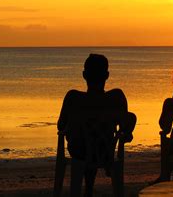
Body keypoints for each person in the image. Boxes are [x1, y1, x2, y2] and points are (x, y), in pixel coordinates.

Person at [57, 53, 136, 194]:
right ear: (107, 75)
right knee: (94, 141)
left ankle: (87, 189)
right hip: (105, 152)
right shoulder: (116, 98)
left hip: (79, 152)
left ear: (84, 75)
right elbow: (127, 122)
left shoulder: (73, 98)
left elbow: (61, 126)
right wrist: (126, 134)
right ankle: (89, 188)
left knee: (83, 142)